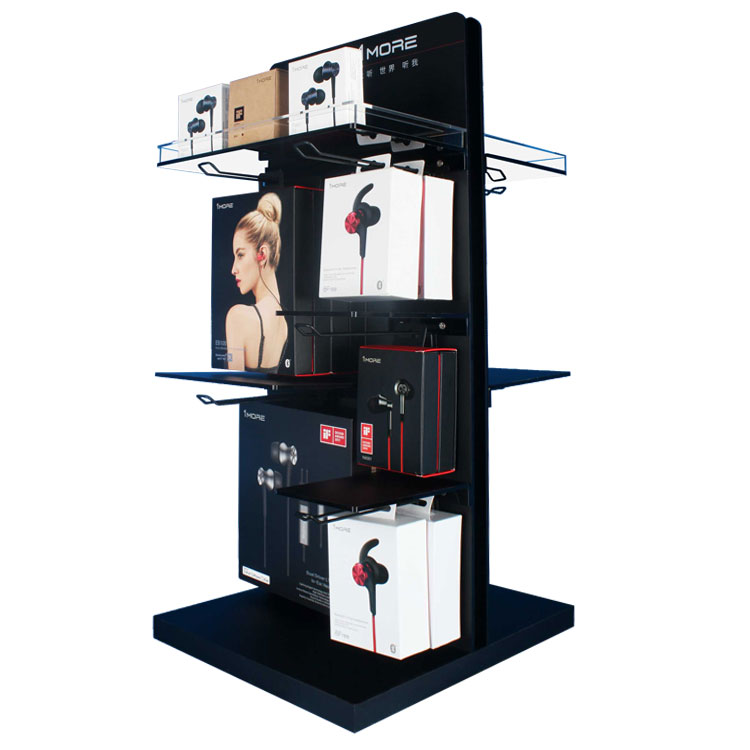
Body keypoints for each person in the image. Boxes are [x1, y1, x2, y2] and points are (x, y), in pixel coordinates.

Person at [226, 193, 288, 372]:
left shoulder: (237, 317)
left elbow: (235, 383)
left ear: (262, 254)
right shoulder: (284, 323)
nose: (233, 269)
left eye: (240, 255)